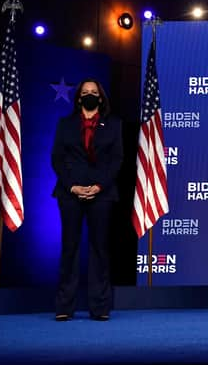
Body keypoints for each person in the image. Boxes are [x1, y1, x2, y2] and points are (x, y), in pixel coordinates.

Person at [51, 78, 123, 321]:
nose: (90, 95)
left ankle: (100, 308)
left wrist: (99, 186)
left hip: (101, 194)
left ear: (100, 98)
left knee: (100, 250)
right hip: (70, 193)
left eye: (94, 92)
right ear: (79, 98)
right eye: (85, 92)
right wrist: (72, 186)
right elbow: (57, 159)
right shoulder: (65, 124)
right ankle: (64, 307)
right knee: (69, 248)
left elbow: (116, 160)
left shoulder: (113, 125)